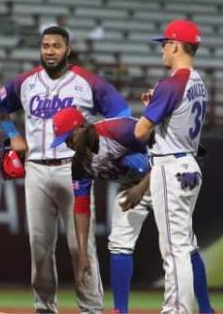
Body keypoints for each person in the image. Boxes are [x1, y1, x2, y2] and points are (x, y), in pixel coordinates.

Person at [0, 25, 130, 314]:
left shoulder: (87, 82)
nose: (50, 51)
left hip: (73, 168)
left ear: (67, 49)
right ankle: (44, 308)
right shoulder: (26, 82)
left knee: (80, 246)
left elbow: (122, 114)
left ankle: (91, 309)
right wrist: (12, 133)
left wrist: (97, 139)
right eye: (45, 46)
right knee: (39, 247)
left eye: (56, 46)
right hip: (36, 169)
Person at [50, 107, 214, 314]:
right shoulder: (81, 163)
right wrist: (82, 253)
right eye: (63, 141)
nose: (68, 144)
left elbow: (165, 149)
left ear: (83, 126)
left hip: (165, 179)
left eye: (68, 137)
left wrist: (142, 187)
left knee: (185, 245)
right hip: (132, 189)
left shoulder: (119, 129)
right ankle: (120, 310)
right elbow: (81, 207)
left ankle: (206, 310)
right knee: (119, 242)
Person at [132, 19, 208, 313]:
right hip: (189, 163)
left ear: (176, 45)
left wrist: (151, 109)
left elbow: (140, 131)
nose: (162, 49)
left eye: (165, 44)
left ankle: (176, 310)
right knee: (184, 246)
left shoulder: (171, 82)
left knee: (174, 249)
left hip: (170, 166)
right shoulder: (198, 82)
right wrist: (158, 104)